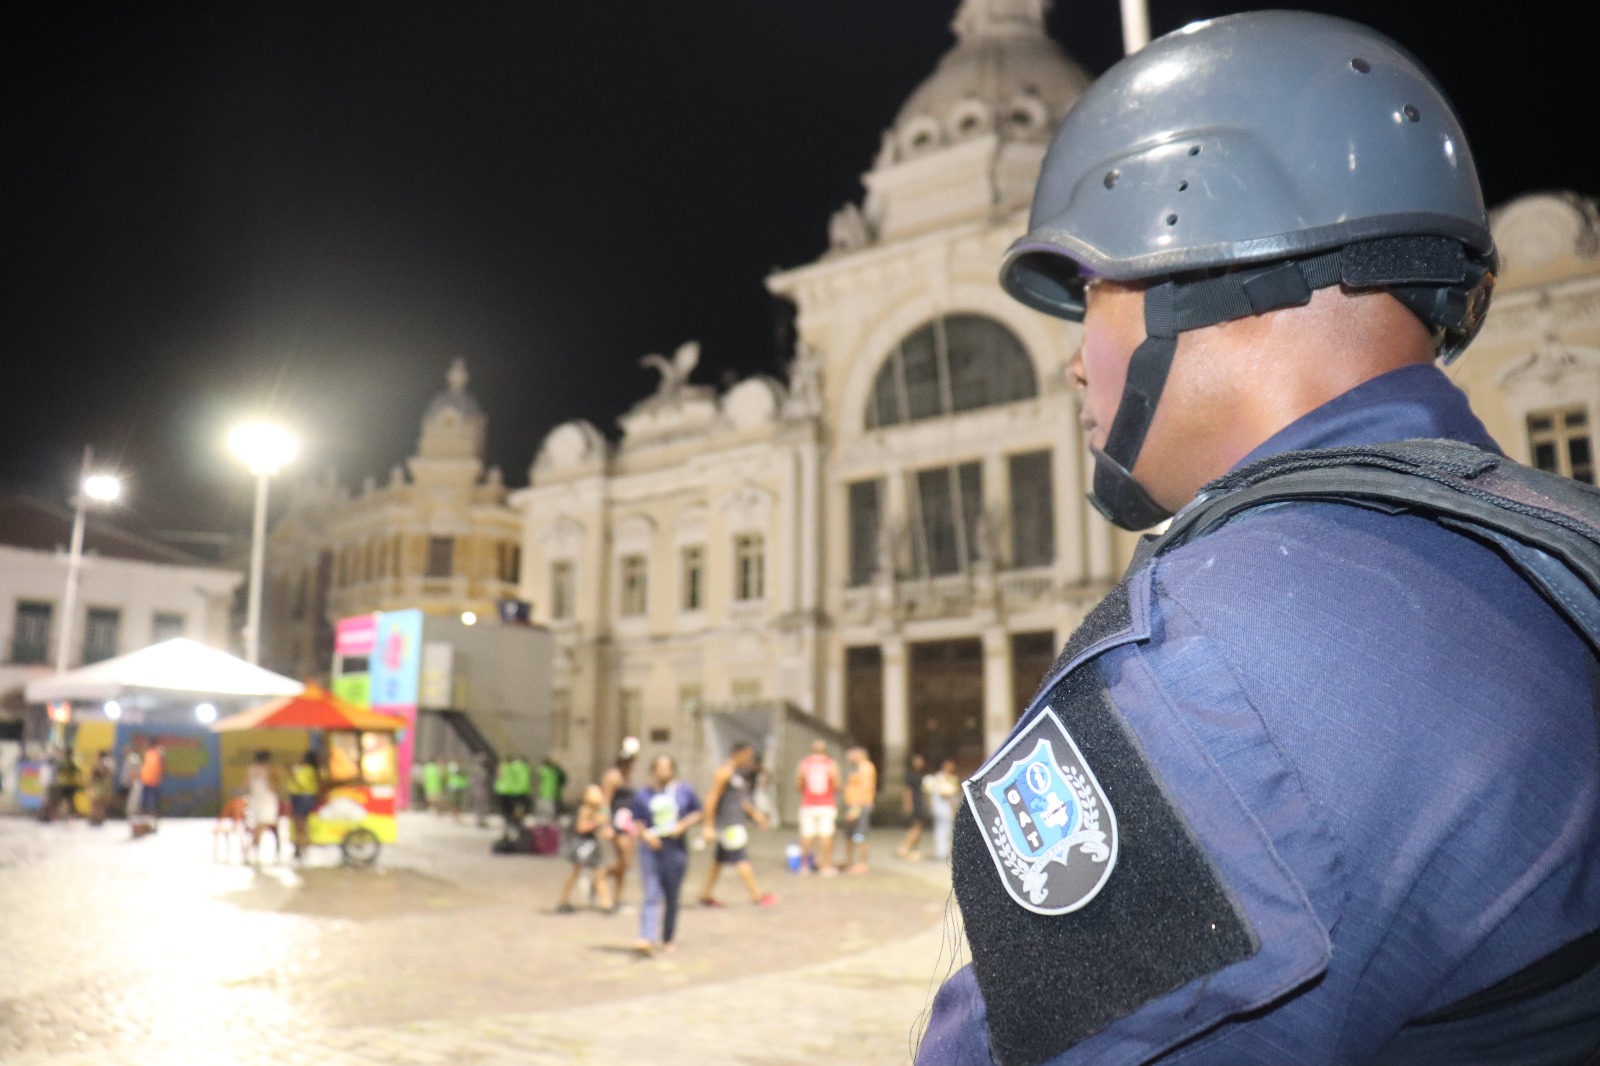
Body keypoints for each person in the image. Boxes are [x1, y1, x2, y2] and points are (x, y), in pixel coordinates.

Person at [918, 13, 1600, 1066]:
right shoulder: (1546, 551)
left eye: (1090, 296)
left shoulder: (1209, 678)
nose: (1070, 365)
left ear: (1203, 264)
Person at [629, 753, 703, 956]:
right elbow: (636, 820)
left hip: (675, 848)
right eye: (659, 768)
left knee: (672, 895)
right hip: (651, 849)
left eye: (667, 767)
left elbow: (698, 811)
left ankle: (668, 937)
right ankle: (646, 936)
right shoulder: (644, 794)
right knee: (651, 892)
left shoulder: (683, 791)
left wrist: (683, 824)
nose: (663, 772)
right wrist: (645, 835)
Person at [698, 743, 777, 907]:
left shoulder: (737, 774)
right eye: (747, 756)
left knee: (718, 861)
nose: (749, 760)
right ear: (738, 754)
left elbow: (741, 800)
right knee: (741, 859)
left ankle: (705, 894)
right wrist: (708, 824)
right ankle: (757, 895)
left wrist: (756, 815)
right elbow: (712, 797)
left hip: (733, 820)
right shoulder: (724, 772)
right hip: (729, 823)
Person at [556, 784, 614, 914]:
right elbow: (581, 828)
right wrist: (596, 823)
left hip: (592, 844)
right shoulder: (585, 810)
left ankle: (607, 903)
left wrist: (605, 830)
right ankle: (563, 901)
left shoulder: (600, 810)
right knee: (576, 872)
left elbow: (603, 827)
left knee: (600, 873)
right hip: (582, 844)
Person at [601, 739, 640, 905]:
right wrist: (605, 825)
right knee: (623, 858)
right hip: (616, 821)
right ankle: (601, 876)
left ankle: (618, 896)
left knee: (625, 863)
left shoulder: (628, 778)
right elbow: (605, 801)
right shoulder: (613, 776)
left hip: (628, 822)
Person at [796, 740, 839, 874]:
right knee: (826, 834)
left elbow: (799, 783)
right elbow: (837, 783)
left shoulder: (804, 763)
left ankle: (804, 865)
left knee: (807, 834)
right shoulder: (831, 764)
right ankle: (825, 866)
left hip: (808, 803)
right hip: (826, 804)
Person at [840, 746, 877, 874]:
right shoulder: (856, 767)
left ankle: (862, 862)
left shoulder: (866, 767)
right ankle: (849, 860)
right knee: (850, 834)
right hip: (853, 804)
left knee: (860, 834)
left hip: (860, 805)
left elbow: (864, 787)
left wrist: (856, 807)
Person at [245, 750, 283, 865]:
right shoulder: (269, 769)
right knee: (263, 825)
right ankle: (252, 848)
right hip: (267, 799)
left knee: (258, 826)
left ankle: (253, 849)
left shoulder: (251, 769)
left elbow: (246, 785)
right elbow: (272, 785)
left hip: (255, 799)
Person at [923, 756, 959, 864]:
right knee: (946, 829)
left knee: (939, 828)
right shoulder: (947, 778)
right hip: (945, 808)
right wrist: (953, 808)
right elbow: (948, 795)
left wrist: (930, 806)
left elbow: (927, 794)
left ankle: (940, 851)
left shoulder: (934, 778)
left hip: (936, 807)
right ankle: (942, 852)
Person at [286, 750, 321, 860]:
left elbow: (301, 783)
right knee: (303, 824)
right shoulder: (314, 770)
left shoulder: (306, 770)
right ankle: (302, 847)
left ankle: (300, 848)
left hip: (301, 798)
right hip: (306, 797)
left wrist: (292, 774)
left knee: (299, 825)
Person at [897, 753, 929, 861]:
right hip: (914, 802)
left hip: (920, 802)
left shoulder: (921, 775)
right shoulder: (910, 776)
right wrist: (907, 805)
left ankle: (914, 850)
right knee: (916, 826)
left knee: (919, 826)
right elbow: (907, 791)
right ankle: (904, 847)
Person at [134, 737, 163, 835]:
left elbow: (162, 767)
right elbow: (144, 767)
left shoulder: (159, 753)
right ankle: (144, 826)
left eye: (147, 743)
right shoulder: (147, 754)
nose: (145, 745)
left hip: (154, 783)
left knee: (153, 806)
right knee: (144, 806)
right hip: (145, 782)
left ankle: (154, 825)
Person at [87, 750, 114, 827]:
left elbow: (99, 773)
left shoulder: (102, 762)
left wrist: (92, 780)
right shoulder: (109, 762)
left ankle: (95, 818)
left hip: (100, 785)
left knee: (96, 803)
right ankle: (98, 818)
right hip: (104, 784)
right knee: (100, 803)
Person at [535, 756, 565, 822]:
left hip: (544, 793)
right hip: (552, 793)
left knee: (543, 811)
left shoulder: (543, 771)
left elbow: (537, 771)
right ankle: (550, 822)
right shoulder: (555, 772)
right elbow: (562, 777)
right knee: (551, 811)